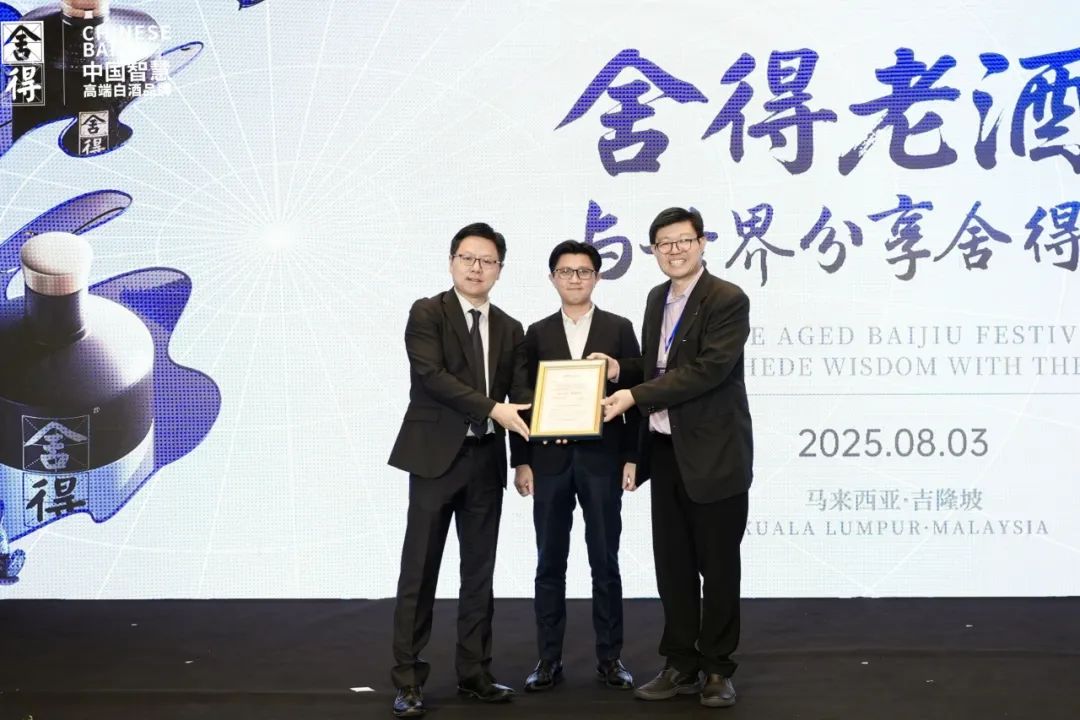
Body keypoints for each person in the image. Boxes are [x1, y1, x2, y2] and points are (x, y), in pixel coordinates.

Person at [592, 207, 753, 709]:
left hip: (715, 454)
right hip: (666, 452)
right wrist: (620, 370)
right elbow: (660, 365)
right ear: (654, 250)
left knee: (718, 567)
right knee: (674, 566)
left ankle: (718, 668)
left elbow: (708, 369)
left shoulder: (727, 298)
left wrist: (635, 395)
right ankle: (680, 663)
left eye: (683, 240)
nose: (674, 250)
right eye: (664, 243)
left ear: (702, 242)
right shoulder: (655, 298)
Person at [388, 222, 532, 718]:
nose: (476, 268)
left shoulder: (511, 328)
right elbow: (433, 377)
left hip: (487, 460)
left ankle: (475, 673)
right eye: (468, 258)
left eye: (487, 261)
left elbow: (521, 400)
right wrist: (493, 409)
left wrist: (524, 459)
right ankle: (408, 680)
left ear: (500, 270)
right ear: (451, 262)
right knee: (420, 570)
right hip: (435, 459)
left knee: (479, 573)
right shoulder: (427, 312)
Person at [509, 240, 641, 694]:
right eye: (565, 271)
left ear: (597, 277)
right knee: (549, 562)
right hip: (548, 462)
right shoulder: (535, 332)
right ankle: (548, 659)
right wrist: (521, 460)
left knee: (605, 561)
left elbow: (641, 387)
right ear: (552, 278)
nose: (575, 278)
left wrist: (633, 456)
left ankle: (610, 658)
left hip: (603, 460)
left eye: (584, 271)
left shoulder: (619, 328)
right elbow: (519, 398)